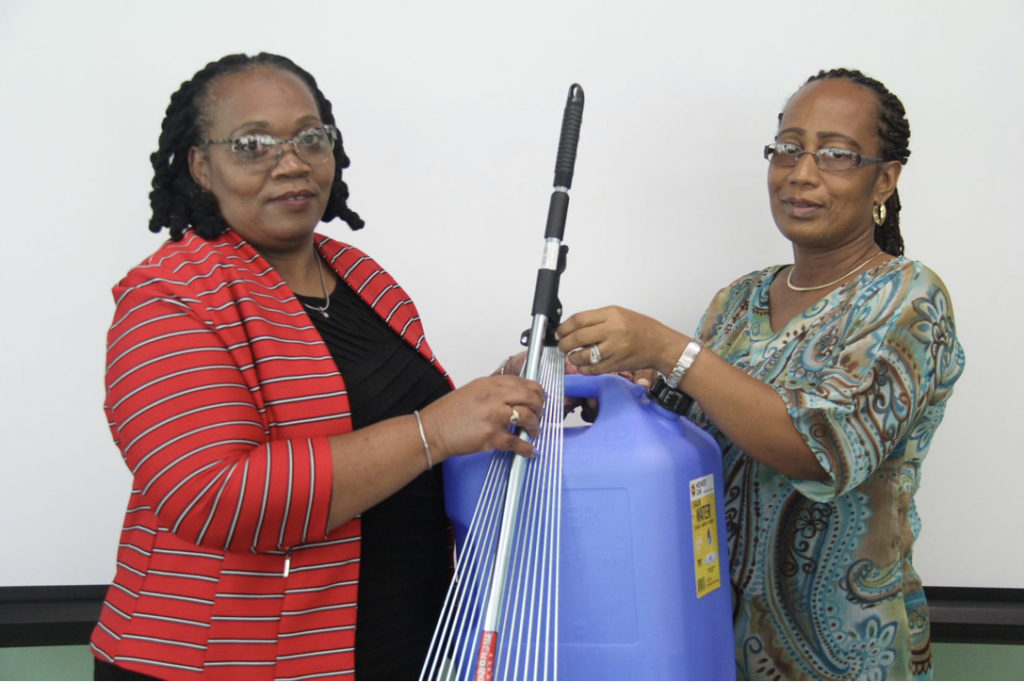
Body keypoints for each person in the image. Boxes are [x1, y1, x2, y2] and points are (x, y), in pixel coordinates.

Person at [90, 52, 545, 681]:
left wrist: (511, 389)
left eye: (311, 137)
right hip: (226, 663)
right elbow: (214, 496)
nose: (292, 162)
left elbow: (396, 423)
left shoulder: (360, 277)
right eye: (253, 144)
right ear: (200, 166)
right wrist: (435, 431)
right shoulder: (170, 298)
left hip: (398, 646)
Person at [555, 68, 965, 680]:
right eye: (788, 148)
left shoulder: (907, 296)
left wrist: (669, 348)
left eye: (835, 154)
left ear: (885, 178)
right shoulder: (739, 300)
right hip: (709, 641)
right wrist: (612, 385)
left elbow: (821, 451)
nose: (801, 173)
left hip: (848, 657)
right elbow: (691, 436)